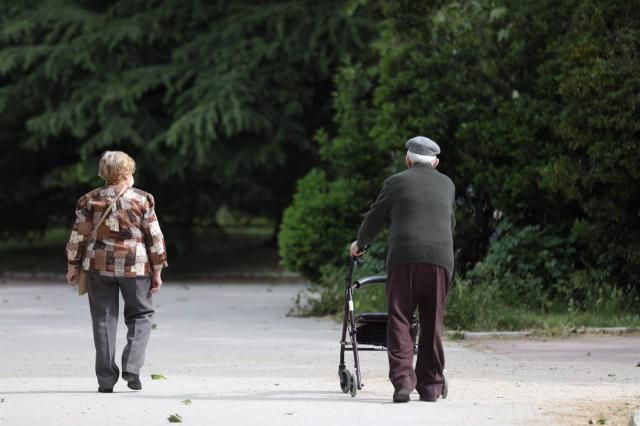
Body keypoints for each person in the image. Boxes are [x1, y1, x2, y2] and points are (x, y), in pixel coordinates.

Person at [350, 136, 456, 403]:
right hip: (440, 260)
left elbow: (374, 219)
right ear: (436, 162)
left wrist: (360, 244)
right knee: (432, 321)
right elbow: (450, 223)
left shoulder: (395, 182)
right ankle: (431, 386)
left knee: (399, 318)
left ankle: (403, 383)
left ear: (407, 159)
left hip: (404, 258)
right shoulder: (447, 184)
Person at [65, 151, 168, 393]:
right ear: (125, 173)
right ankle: (131, 367)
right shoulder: (143, 199)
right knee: (141, 315)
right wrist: (158, 269)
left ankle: (105, 380)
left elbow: (78, 236)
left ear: (104, 173)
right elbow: (155, 237)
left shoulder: (89, 200)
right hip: (136, 265)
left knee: (103, 319)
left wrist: (72, 264)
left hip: (98, 267)